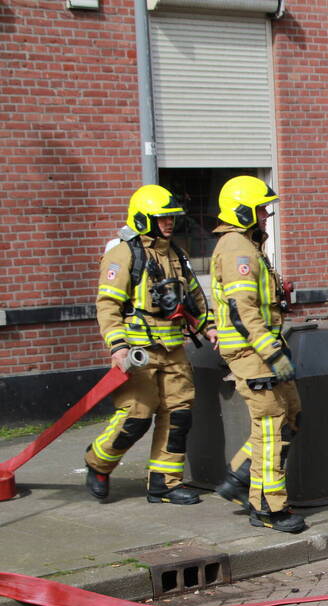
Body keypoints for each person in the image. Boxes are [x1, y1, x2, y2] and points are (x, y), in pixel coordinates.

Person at [86, 184, 215, 504]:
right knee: (136, 416)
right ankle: (98, 463)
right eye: (162, 218)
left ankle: (165, 484)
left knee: (178, 417)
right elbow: (108, 306)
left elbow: (194, 300)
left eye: (171, 217)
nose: (169, 223)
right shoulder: (123, 254)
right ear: (144, 219)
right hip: (138, 355)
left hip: (174, 352)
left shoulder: (177, 255)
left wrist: (209, 328)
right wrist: (118, 348)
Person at [209, 175, 305, 534]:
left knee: (291, 416)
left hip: (263, 348)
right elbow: (242, 311)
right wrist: (272, 353)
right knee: (272, 429)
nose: (267, 214)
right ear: (243, 211)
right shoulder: (237, 249)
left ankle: (238, 478)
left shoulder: (246, 245)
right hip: (253, 352)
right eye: (262, 208)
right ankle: (267, 507)